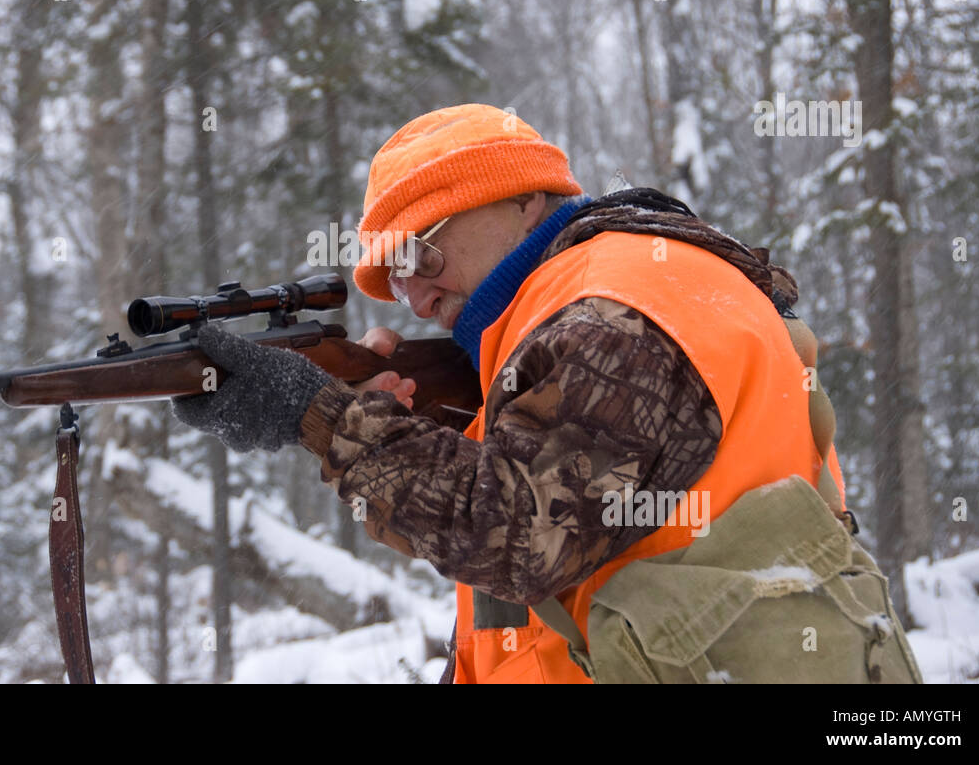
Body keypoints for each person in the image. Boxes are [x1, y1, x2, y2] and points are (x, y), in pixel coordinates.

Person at [173, 103, 923, 684]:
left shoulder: (614, 311)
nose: (413, 295)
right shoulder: (578, 313)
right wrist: (376, 417)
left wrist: (320, 414)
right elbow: (523, 611)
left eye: (419, 251)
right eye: (391, 276)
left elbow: (520, 535)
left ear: (524, 202)